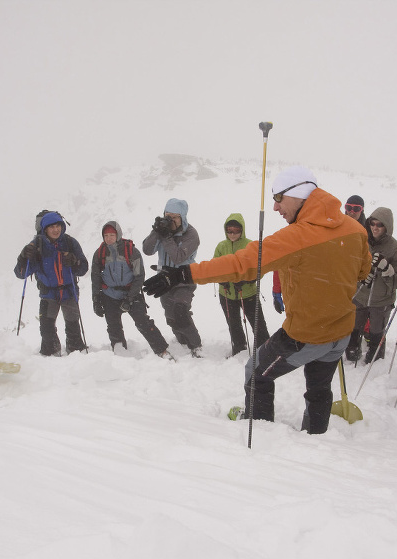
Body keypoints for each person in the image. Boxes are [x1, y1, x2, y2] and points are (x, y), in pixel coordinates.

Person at [143, 166, 371, 434]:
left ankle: (262, 433)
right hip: (341, 331)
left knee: (255, 371)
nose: (275, 207)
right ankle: (315, 439)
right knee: (319, 388)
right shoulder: (355, 229)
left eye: (278, 198)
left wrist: (183, 273)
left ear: (298, 194)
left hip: (307, 334)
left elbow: (242, 263)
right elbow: (363, 271)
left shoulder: (298, 237)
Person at [90, 221, 172, 359]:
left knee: (143, 322)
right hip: (110, 295)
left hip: (131, 294)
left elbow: (139, 276)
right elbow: (95, 277)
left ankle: (162, 350)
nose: (109, 238)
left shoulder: (131, 251)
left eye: (112, 234)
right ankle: (120, 353)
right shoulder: (100, 253)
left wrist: (130, 298)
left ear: (118, 235)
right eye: (106, 235)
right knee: (113, 325)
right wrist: (96, 298)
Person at [14, 211, 88, 356]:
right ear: (45, 229)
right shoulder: (36, 246)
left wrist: (75, 261)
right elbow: (21, 273)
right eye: (51, 227)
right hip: (48, 293)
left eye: (58, 226)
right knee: (47, 329)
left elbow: (83, 268)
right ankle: (51, 353)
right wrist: (23, 257)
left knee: (73, 326)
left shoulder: (70, 243)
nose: (55, 230)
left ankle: (76, 352)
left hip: (69, 292)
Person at [142, 198, 203, 357]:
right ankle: (182, 341)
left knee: (180, 311)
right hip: (164, 280)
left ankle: (196, 345)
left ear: (182, 217)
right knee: (170, 316)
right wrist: (156, 231)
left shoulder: (191, 234)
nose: (170, 220)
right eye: (167, 216)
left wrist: (166, 237)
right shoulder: (162, 230)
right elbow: (147, 250)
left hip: (184, 279)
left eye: (174, 217)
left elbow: (178, 257)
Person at [347, 207, 397, 364]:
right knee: (354, 326)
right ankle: (352, 351)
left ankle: (375, 359)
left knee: (376, 331)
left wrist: (386, 269)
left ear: (387, 226)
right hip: (360, 294)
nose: (375, 227)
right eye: (372, 223)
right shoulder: (363, 240)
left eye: (380, 224)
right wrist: (362, 275)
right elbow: (351, 264)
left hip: (381, 300)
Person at [213, 214, 270, 357]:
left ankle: (265, 351)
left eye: (236, 230)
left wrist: (247, 280)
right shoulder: (221, 246)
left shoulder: (250, 245)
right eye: (229, 231)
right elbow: (214, 266)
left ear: (242, 230)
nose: (232, 234)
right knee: (233, 325)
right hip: (227, 294)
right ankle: (239, 350)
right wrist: (221, 279)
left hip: (248, 294)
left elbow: (260, 269)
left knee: (258, 325)